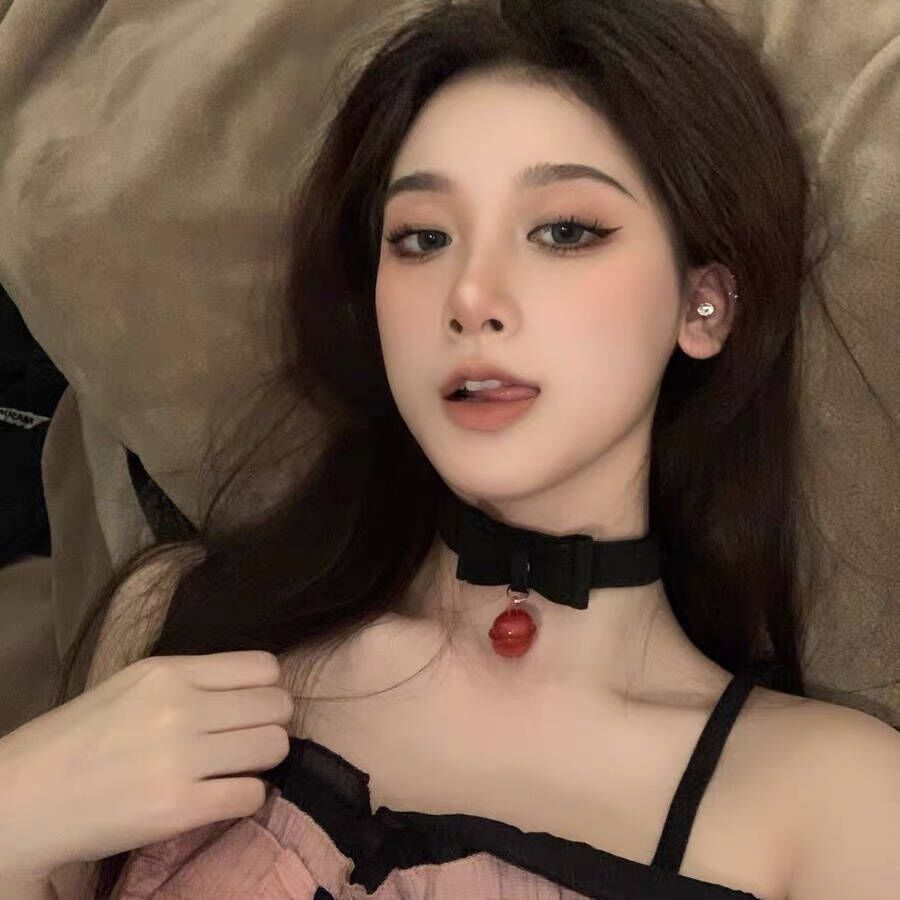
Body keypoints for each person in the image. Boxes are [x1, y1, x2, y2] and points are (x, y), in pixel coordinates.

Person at [3, 1, 897, 898]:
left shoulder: (838, 802)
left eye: (564, 231)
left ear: (704, 305)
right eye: (423, 239)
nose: (470, 296)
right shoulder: (183, 623)